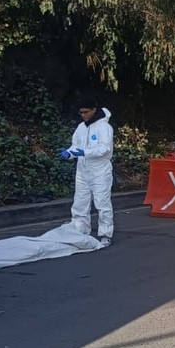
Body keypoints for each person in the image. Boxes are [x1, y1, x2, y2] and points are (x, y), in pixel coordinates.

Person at [60, 96, 114, 247]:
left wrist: (84, 152)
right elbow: (75, 146)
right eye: (81, 113)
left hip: (100, 171)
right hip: (83, 171)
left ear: (94, 110)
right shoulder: (81, 128)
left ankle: (105, 234)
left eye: (85, 112)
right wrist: (69, 153)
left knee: (102, 203)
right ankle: (80, 229)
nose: (83, 115)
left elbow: (104, 149)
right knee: (80, 202)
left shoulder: (104, 128)